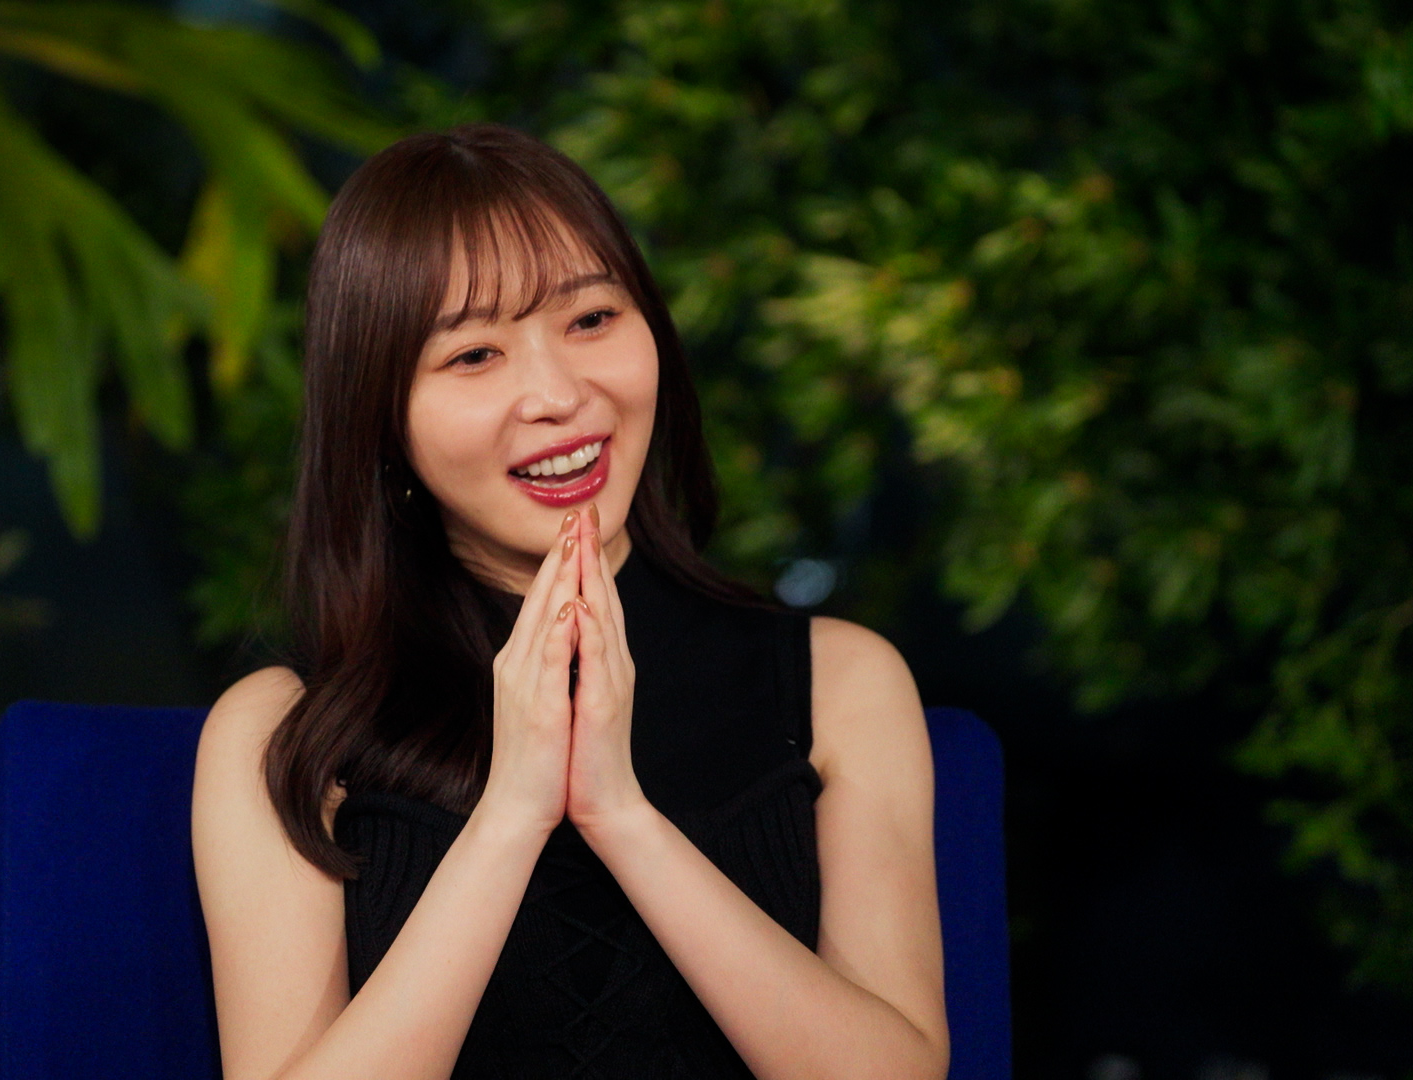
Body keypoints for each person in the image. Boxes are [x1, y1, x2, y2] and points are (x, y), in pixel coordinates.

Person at [190, 123, 947, 1080]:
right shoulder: (287, 733)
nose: (556, 394)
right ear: (380, 421)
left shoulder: (840, 681)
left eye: (591, 319)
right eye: (474, 355)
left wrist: (621, 817)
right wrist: (511, 812)